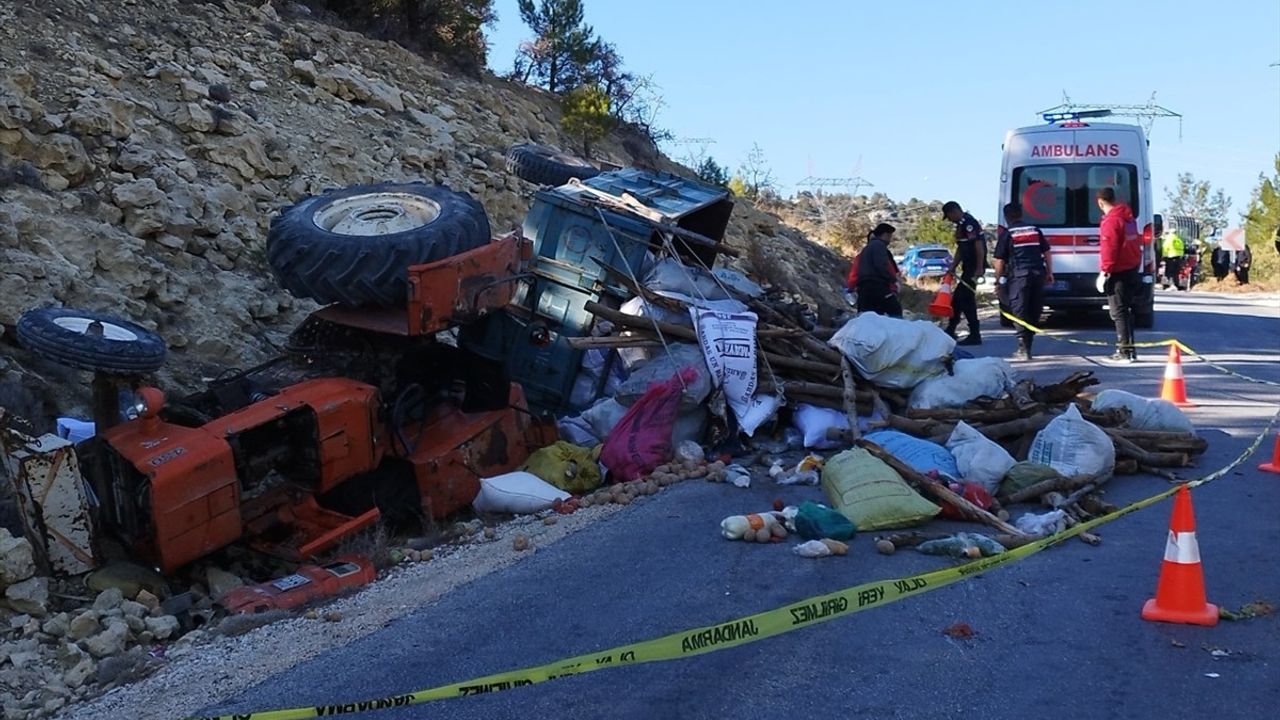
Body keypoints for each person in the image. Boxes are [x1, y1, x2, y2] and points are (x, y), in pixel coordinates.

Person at [993, 203, 1053, 361]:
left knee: (1018, 309)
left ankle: (1023, 347)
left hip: (1020, 276)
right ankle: (1028, 346)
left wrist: (998, 281)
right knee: (1034, 308)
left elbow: (999, 260)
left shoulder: (1008, 234)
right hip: (1038, 274)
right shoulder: (1034, 230)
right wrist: (1049, 272)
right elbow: (1046, 251)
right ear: (1021, 214)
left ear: (1006, 217)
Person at [1096, 187, 1142, 363]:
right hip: (1131, 268)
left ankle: (1124, 351)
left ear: (1100, 202)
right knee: (1126, 310)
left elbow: (1110, 248)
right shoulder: (1128, 219)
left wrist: (1105, 271)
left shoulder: (1111, 221)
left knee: (1118, 312)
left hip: (1118, 271)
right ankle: (1130, 350)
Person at [941, 201, 986, 345]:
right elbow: (961, 249)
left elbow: (978, 246)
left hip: (973, 267)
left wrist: (979, 267)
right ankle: (950, 330)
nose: (949, 220)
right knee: (958, 299)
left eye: (948, 216)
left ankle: (974, 334)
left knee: (966, 299)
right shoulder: (961, 225)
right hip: (967, 267)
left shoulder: (969, 223)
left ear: (954, 211)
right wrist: (953, 267)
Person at [855, 223, 903, 317]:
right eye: (890, 236)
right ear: (885, 234)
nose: (890, 239)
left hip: (863, 288)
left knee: (869, 316)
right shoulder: (879, 246)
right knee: (895, 310)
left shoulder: (867, 248)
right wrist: (893, 280)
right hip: (876, 286)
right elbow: (881, 265)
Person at [1161, 226, 1185, 290]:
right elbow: (1182, 249)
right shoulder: (1178, 239)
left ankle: (1169, 284)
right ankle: (1176, 284)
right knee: (1176, 272)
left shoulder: (1169, 238)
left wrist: (1163, 256)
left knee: (1169, 271)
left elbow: (1165, 247)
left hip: (1170, 257)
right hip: (1178, 257)